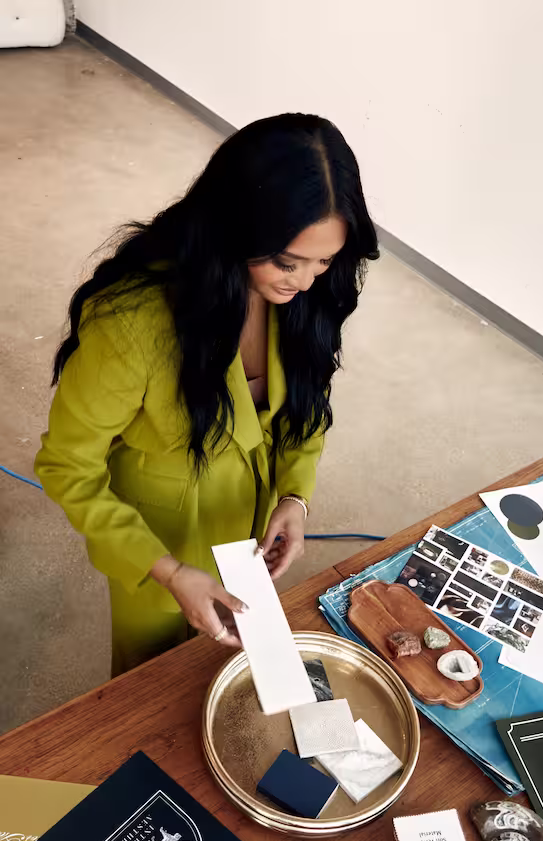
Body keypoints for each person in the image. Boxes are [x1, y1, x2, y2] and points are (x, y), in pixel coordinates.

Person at [35, 114, 378, 675]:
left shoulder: (311, 297)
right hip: (156, 541)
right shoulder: (132, 322)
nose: (306, 282)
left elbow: (305, 411)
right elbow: (66, 465)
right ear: (235, 228)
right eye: (287, 262)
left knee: (237, 677)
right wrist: (167, 571)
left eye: (325, 261)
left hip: (252, 533)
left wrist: (294, 496)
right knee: (147, 689)